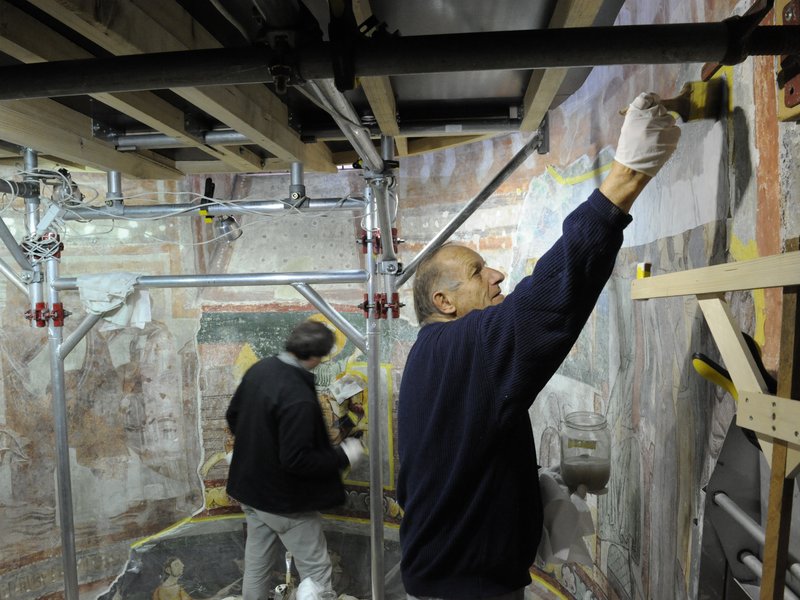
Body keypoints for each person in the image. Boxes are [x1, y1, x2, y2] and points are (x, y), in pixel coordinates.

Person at [397, 92, 681, 599]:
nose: (496, 273)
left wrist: (523, 491)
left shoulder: (430, 354)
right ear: (443, 300)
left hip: (452, 579)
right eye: (477, 271)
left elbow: (436, 470)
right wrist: (625, 177)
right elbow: (545, 303)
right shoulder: (460, 348)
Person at [226, 319, 364, 600]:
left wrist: (258, 451)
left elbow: (233, 417)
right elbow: (297, 461)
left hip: (250, 491)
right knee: (317, 576)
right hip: (283, 502)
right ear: (317, 357)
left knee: (256, 567)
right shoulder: (297, 395)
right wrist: (344, 455)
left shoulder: (260, 369)